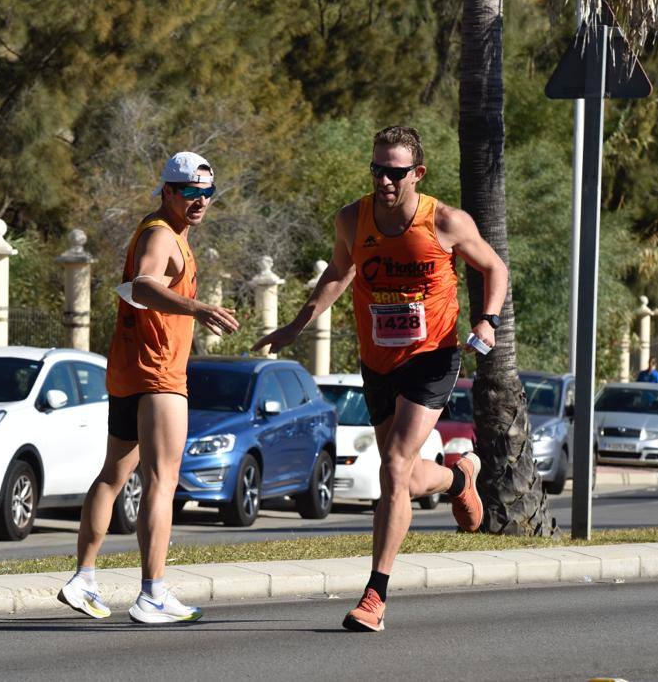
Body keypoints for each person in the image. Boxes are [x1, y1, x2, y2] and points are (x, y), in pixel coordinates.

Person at [253, 126, 508, 633]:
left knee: (392, 466)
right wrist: (295, 325)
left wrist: (488, 320)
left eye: (395, 173)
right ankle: (460, 477)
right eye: (377, 171)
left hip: (432, 356)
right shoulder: (353, 218)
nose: (384, 182)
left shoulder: (446, 221)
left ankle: (375, 595)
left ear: (418, 173)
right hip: (378, 361)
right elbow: (337, 274)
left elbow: (494, 267)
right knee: (407, 477)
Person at [58, 151, 239, 624]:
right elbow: (142, 284)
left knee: (113, 475)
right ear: (168, 192)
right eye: (191, 194)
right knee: (163, 481)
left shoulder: (161, 229)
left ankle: (84, 578)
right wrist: (197, 309)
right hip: (158, 374)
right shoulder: (161, 235)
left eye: (207, 194)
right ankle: (152, 594)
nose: (200, 202)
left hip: (127, 369)